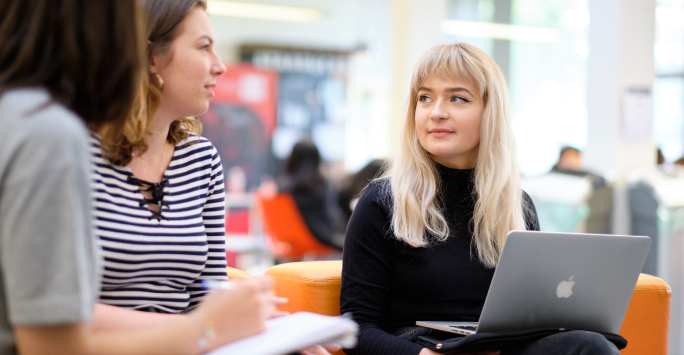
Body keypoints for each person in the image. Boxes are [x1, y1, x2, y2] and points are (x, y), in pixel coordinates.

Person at [0, 1, 275, 354]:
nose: (220, 66)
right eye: (203, 46)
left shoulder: (201, 158)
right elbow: (56, 328)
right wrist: (206, 329)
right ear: (149, 56)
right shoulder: (61, 140)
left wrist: (249, 325)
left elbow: (210, 293)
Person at [339, 43, 621, 355]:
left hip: (500, 348)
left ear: (490, 112)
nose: (436, 112)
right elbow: (356, 328)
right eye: (425, 97)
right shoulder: (383, 202)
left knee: (591, 345)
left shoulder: (516, 205)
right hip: (423, 350)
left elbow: (536, 315)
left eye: (457, 98)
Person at [274, 139, 346, 251]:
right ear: (317, 159)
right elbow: (331, 216)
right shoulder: (323, 186)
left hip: (292, 243)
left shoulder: (282, 188)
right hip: (324, 239)